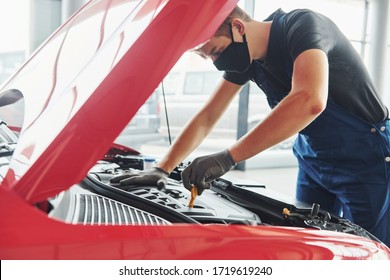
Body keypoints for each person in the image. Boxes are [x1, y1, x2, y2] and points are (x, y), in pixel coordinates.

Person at [110, 6, 390, 246]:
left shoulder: (302, 26)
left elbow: (309, 100)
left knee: (368, 249)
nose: (217, 63)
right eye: (209, 57)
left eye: (216, 51)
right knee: (308, 240)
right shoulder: (249, 59)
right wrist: (163, 167)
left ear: (237, 26)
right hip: (313, 158)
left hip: (365, 157)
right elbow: (209, 115)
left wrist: (228, 157)